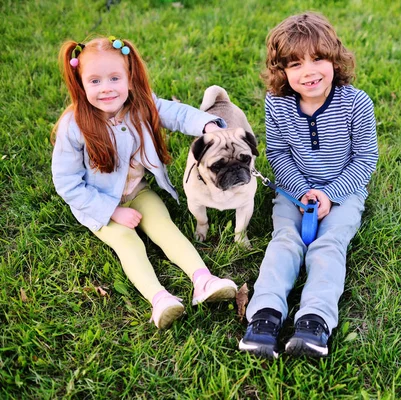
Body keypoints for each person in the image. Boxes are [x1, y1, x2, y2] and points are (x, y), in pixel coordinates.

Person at [51, 36, 238, 329]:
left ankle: (204, 280)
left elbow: (176, 114)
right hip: (98, 204)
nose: (107, 88)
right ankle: (159, 298)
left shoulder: (141, 105)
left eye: (115, 78)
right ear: (81, 84)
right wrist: (112, 211)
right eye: (95, 81)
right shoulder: (74, 126)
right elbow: (66, 182)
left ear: (129, 77)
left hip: (137, 191)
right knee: (128, 242)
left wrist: (207, 124)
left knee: (165, 227)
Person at [238, 12, 378, 358]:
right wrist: (300, 191)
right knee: (285, 241)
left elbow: (365, 159)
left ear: (335, 59)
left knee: (329, 246)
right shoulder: (278, 103)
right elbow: (279, 153)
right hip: (292, 190)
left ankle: (314, 320)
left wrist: (330, 194)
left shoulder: (356, 103)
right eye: (295, 64)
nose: (309, 72)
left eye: (318, 59)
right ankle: (265, 317)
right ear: (282, 71)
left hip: (344, 192)